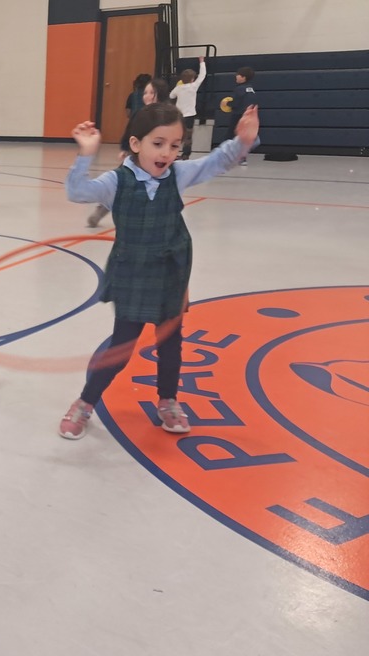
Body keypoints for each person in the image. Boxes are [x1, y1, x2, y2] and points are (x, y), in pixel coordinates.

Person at [60, 102, 260, 440]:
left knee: (171, 343)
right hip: (134, 272)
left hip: (171, 270)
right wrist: (86, 154)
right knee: (121, 346)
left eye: (175, 145)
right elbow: (76, 191)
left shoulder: (177, 174)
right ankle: (85, 402)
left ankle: (168, 400)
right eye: (158, 143)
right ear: (136, 144)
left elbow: (217, 162)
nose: (167, 152)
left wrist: (244, 140)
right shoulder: (116, 182)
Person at [86, 77, 172, 228]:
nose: (147, 96)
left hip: (157, 161)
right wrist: (125, 149)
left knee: (156, 188)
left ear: (161, 94)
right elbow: (130, 133)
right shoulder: (140, 113)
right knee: (120, 183)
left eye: (152, 92)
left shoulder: (168, 116)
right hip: (136, 158)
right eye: (145, 92)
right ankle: (101, 210)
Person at [169, 56, 206, 160]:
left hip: (179, 115)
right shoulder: (193, 86)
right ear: (192, 79)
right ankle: (186, 154)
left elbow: (171, 96)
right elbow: (202, 75)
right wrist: (202, 62)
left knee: (176, 135)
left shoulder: (178, 88)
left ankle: (172, 152)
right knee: (188, 136)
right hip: (190, 115)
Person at [230, 67, 257, 164]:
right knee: (244, 137)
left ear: (243, 77)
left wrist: (228, 104)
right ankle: (243, 158)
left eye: (239, 75)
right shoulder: (251, 89)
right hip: (249, 116)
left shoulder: (239, 89)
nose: (236, 76)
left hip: (238, 115)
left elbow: (235, 103)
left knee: (233, 136)